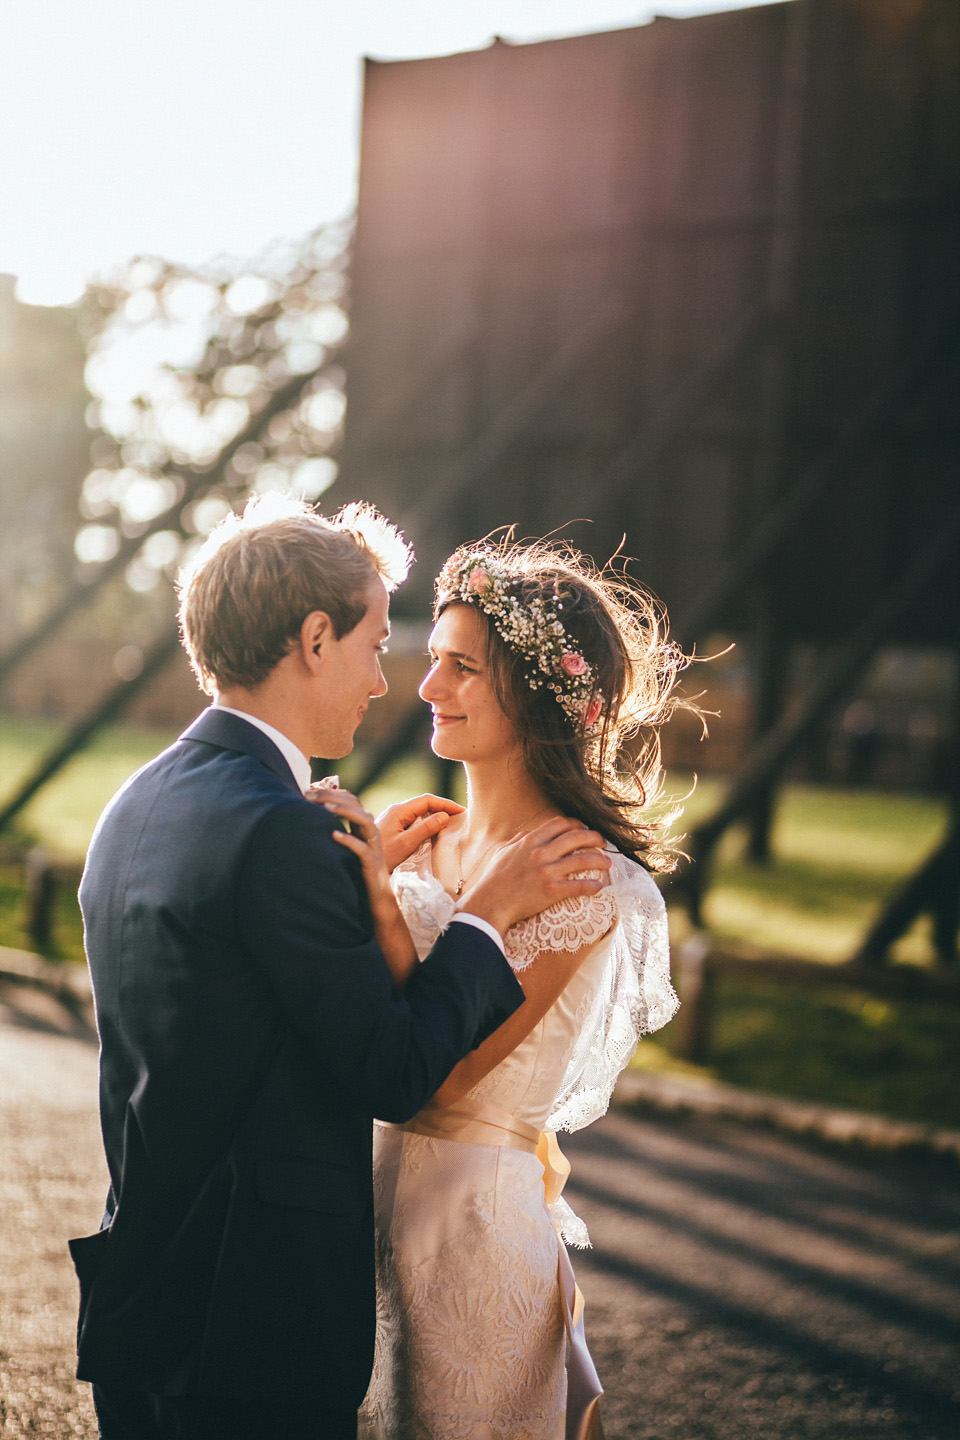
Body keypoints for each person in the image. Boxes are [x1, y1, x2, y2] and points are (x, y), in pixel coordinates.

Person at [69, 496, 612, 1440]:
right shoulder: (283, 830)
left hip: (150, 1291)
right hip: (253, 1322)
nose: (384, 679)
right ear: (315, 640)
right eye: (372, 645)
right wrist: (482, 916)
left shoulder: (142, 796)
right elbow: (396, 1074)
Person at [320, 539, 687, 1440]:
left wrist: (388, 903)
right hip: (355, 1207)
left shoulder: (575, 875)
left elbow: (443, 1076)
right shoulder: (417, 838)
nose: (427, 686)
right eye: (432, 658)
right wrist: (367, 890)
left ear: (537, 692)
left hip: (475, 1231)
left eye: (461, 666)